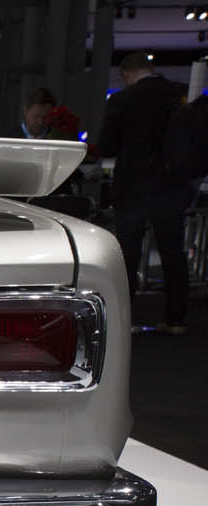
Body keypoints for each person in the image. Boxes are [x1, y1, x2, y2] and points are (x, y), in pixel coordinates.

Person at [95, 53, 190, 335]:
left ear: (126, 75)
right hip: (172, 186)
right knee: (173, 252)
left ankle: (124, 320)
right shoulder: (178, 95)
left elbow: (108, 146)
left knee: (128, 254)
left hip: (133, 187)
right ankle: (176, 319)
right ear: (152, 70)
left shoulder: (122, 100)